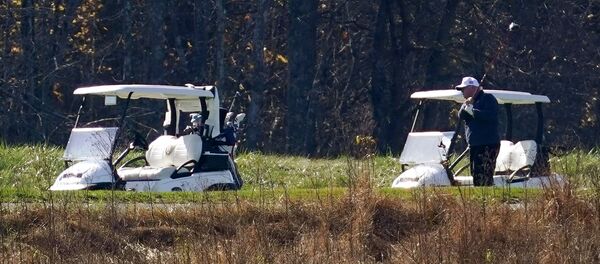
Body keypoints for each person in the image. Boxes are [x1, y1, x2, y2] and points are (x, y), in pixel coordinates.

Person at [455, 76, 500, 186]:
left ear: (472, 88)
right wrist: (467, 105)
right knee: (475, 173)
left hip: (488, 144)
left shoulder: (488, 99)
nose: (462, 92)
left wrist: (473, 111)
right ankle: (480, 199)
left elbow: (490, 116)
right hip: (475, 144)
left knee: (484, 174)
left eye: (463, 89)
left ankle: (486, 199)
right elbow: (461, 115)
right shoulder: (469, 102)